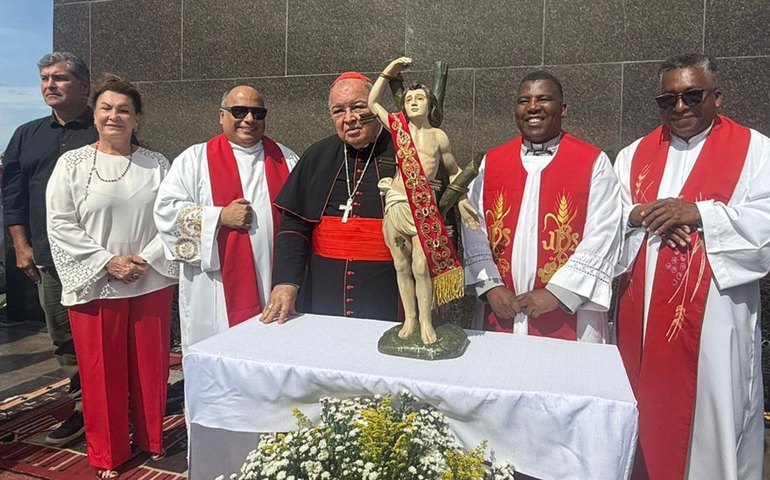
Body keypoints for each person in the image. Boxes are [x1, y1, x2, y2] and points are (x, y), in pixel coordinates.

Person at [614, 53, 770, 480]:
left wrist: (700, 214)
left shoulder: (756, 150)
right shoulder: (632, 156)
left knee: (713, 420)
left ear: (716, 97)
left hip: (716, 327)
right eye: (668, 100)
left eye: (692, 95)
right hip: (641, 319)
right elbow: (606, 221)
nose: (679, 107)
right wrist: (642, 217)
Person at [46, 73, 177, 479]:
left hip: (147, 279)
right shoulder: (72, 163)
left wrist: (144, 260)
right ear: (95, 114)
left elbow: (171, 219)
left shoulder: (156, 164)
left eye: (124, 109)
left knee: (150, 368)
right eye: (106, 108)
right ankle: (108, 452)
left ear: (137, 118)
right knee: (101, 373)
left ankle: (152, 440)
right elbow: (61, 223)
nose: (114, 116)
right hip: (96, 280)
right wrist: (107, 261)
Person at [461, 71, 622, 342]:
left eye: (543, 99)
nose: (533, 107)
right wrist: (490, 286)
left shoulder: (592, 161)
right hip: (502, 306)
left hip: (568, 312)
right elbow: (473, 225)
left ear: (563, 109)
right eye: (524, 101)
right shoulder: (492, 161)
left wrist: (558, 293)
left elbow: (604, 232)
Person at [154, 85, 298, 352]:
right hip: (216, 288)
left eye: (257, 112)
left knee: (274, 352)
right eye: (239, 111)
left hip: (273, 281)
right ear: (222, 115)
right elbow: (166, 211)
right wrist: (218, 216)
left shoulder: (287, 160)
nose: (249, 119)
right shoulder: (193, 160)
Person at [1, 51, 96, 445]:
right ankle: (82, 406)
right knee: (63, 335)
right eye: (44, 78)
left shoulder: (105, 127)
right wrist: (21, 246)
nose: (49, 85)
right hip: (48, 259)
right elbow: (13, 195)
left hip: (98, 257)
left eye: (59, 78)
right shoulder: (26, 134)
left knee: (100, 333)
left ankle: (116, 400)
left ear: (84, 87)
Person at [262, 72, 401, 324]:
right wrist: (285, 282)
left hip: (392, 288)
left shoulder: (407, 151)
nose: (349, 119)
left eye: (358, 107)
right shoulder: (317, 156)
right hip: (323, 289)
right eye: (338, 111)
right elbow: (294, 227)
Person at [368, 57, 479, 344]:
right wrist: (388, 72)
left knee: (420, 266)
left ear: (430, 104)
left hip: (424, 208)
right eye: (408, 99)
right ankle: (410, 319)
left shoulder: (438, 136)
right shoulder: (397, 129)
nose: (413, 103)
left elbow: (454, 171)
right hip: (396, 203)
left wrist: (463, 202)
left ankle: (427, 321)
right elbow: (372, 103)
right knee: (401, 266)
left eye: (419, 98)